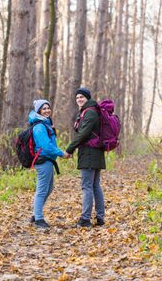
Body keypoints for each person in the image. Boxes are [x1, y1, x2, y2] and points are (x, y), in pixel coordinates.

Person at [64, 88, 106, 228]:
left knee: (87, 186)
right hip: (95, 153)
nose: (79, 100)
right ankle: (100, 217)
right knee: (94, 185)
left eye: (82, 97)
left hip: (89, 154)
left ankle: (85, 219)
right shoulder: (88, 111)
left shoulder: (90, 113)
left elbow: (83, 134)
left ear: (87, 98)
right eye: (77, 98)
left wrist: (69, 149)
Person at [29, 99, 70, 229]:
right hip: (43, 160)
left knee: (49, 188)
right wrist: (61, 153)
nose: (47, 110)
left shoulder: (45, 123)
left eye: (48, 108)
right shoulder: (40, 126)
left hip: (48, 160)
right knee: (42, 190)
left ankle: (36, 213)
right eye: (44, 108)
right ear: (39, 111)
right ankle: (38, 219)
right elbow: (46, 146)